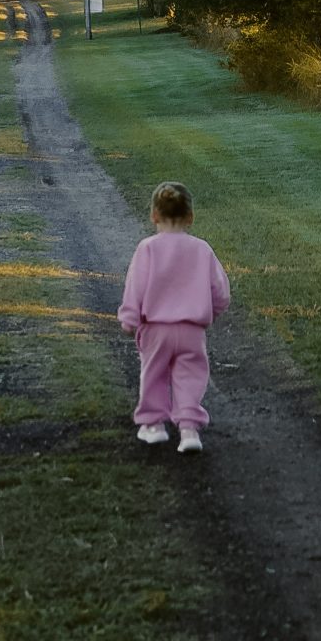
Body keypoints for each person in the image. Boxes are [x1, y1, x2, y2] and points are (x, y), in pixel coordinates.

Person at [117, 181, 230, 453]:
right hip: (192, 330)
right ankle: (189, 429)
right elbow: (220, 292)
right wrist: (208, 314)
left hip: (156, 329)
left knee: (154, 374)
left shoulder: (148, 248)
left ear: (154, 216)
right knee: (191, 376)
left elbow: (136, 286)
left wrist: (130, 318)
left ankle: (154, 425)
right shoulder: (202, 249)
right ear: (190, 217)